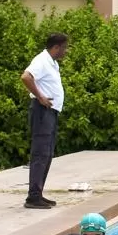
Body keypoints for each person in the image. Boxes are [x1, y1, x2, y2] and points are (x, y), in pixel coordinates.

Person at [19, 33, 69, 209]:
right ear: (56, 47)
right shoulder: (41, 60)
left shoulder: (52, 63)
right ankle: (33, 196)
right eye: (64, 48)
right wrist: (40, 97)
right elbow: (26, 77)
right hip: (42, 111)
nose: (66, 51)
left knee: (47, 153)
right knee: (40, 153)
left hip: (50, 112)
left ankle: (38, 193)